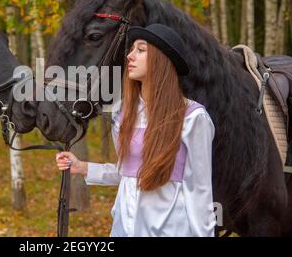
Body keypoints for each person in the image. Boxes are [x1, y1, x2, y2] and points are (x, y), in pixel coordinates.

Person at [56, 23, 216, 237]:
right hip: (125, 228)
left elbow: (200, 191)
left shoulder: (192, 118)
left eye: (140, 50)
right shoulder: (123, 114)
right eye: (131, 50)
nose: (130, 56)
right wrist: (83, 167)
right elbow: (127, 172)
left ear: (161, 60)